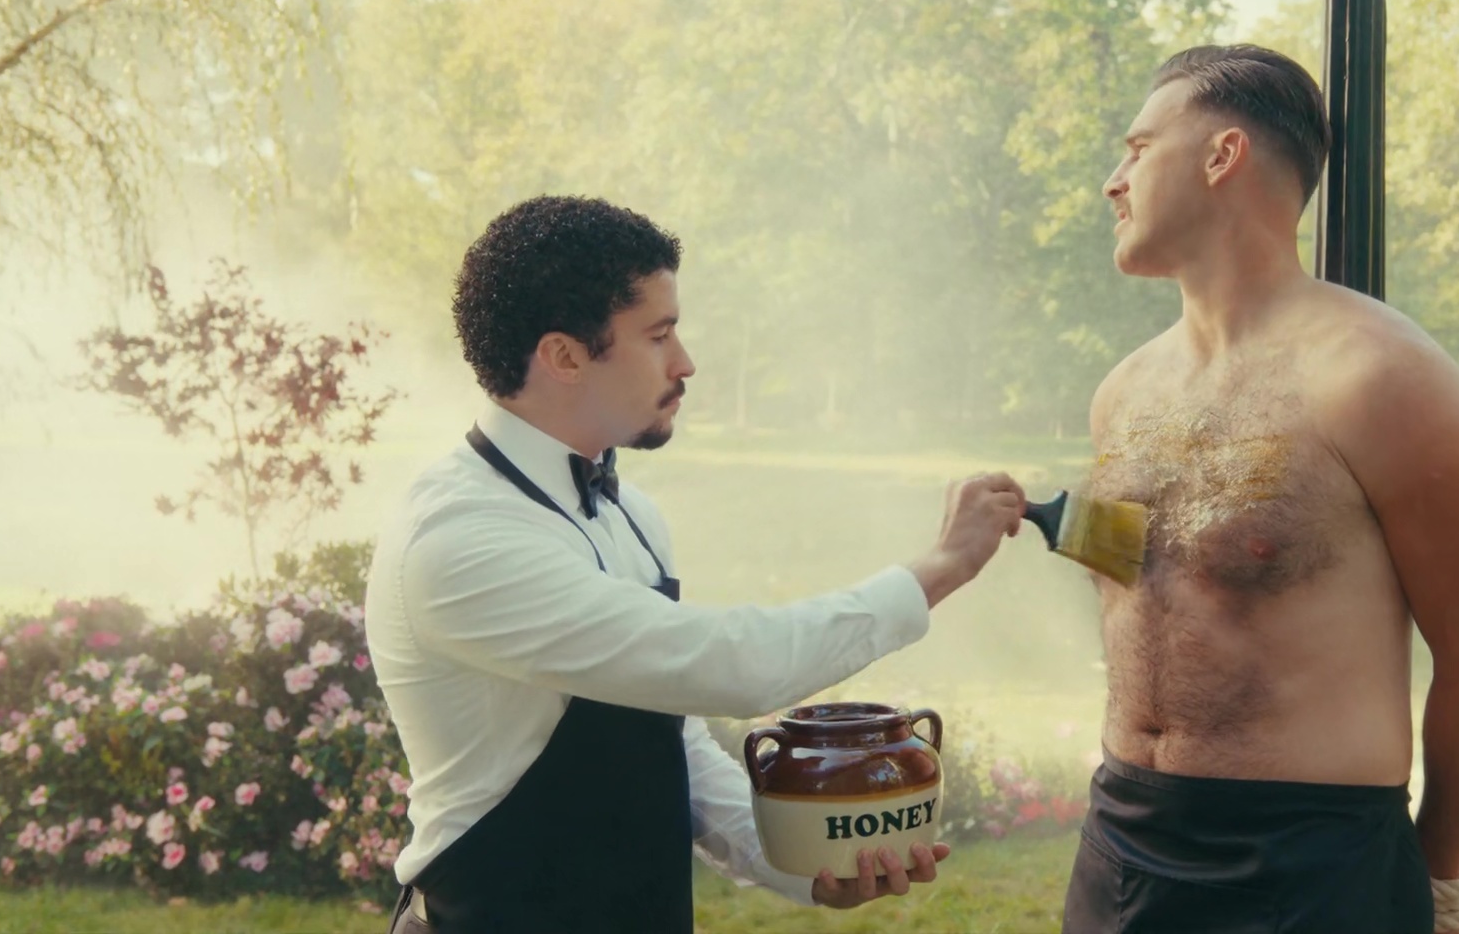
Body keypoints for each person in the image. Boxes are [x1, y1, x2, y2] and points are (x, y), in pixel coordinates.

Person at [364, 195, 1028, 934]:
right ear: (564, 356)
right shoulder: (460, 539)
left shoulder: (633, 515)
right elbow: (728, 666)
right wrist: (940, 568)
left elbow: (669, 742)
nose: (685, 363)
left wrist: (808, 869)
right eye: (658, 336)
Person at [1060, 44, 1459, 934]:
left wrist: (1433, 883)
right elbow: (1165, 584)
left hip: (1312, 867)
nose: (1112, 182)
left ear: (1222, 155)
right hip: (1121, 837)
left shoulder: (1381, 378)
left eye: (1138, 148)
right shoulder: (1122, 392)